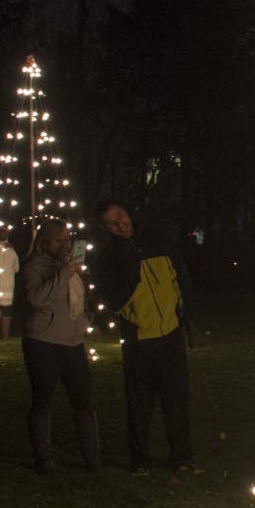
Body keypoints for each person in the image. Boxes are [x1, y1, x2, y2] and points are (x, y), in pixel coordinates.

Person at [94, 200, 200, 474]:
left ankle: (182, 457)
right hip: (139, 338)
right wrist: (130, 270)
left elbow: (181, 278)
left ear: (126, 211)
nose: (120, 223)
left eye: (120, 215)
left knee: (176, 399)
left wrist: (188, 316)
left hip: (171, 333)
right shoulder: (107, 258)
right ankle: (140, 460)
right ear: (105, 228)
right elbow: (114, 301)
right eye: (111, 222)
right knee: (140, 403)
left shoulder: (158, 240)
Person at [22, 219, 100, 473]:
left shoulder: (71, 267)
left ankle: (92, 457)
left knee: (84, 400)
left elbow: (78, 300)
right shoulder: (35, 266)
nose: (67, 244)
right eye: (60, 240)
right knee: (43, 400)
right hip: (43, 342)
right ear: (46, 242)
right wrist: (65, 272)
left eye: (69, 239)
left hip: (73, 342)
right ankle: (43, 457)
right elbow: (37, 298)